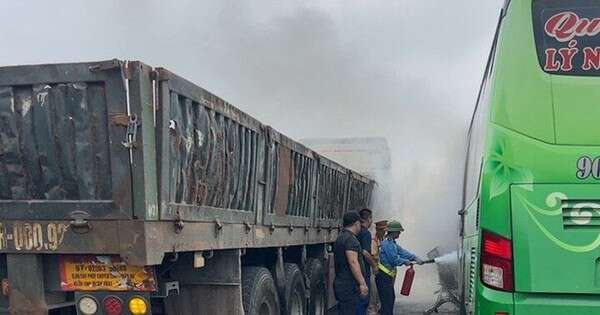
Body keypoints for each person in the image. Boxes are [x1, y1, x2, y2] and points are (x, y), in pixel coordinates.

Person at [376, 220, 424, 315]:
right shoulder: (387, 244)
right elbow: (393, 259)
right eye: (398, 232)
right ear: (392, 232)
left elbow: (402, 252)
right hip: (383, 277)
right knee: (387, 304)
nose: (399, 234)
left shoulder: (392, 243)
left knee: (389, 301)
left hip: (387, 277)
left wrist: (415, 257)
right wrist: (405, 261)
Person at [333, 211, 369, 315]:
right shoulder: (350, 240)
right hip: (348, 286)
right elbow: (353, 262)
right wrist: (362, 283)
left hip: (342, 284)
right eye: (359, 224)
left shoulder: (341, 237)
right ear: (356, 223)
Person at [356, 208, 376, 315]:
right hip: (363, 271)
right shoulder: (366, 233)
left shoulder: (355, 232)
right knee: (363, 301)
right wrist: (374, 265)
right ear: (369, 219)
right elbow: (365, 252)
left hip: (354, 270)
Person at [367, 220, 388, 315]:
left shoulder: (383, 240)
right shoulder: (374, 241)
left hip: (381, 271)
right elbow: (372, 255)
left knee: (380, 296)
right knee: (373, 296)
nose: (384, 232)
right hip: (374, 271)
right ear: (378, 230)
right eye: (383, 230)